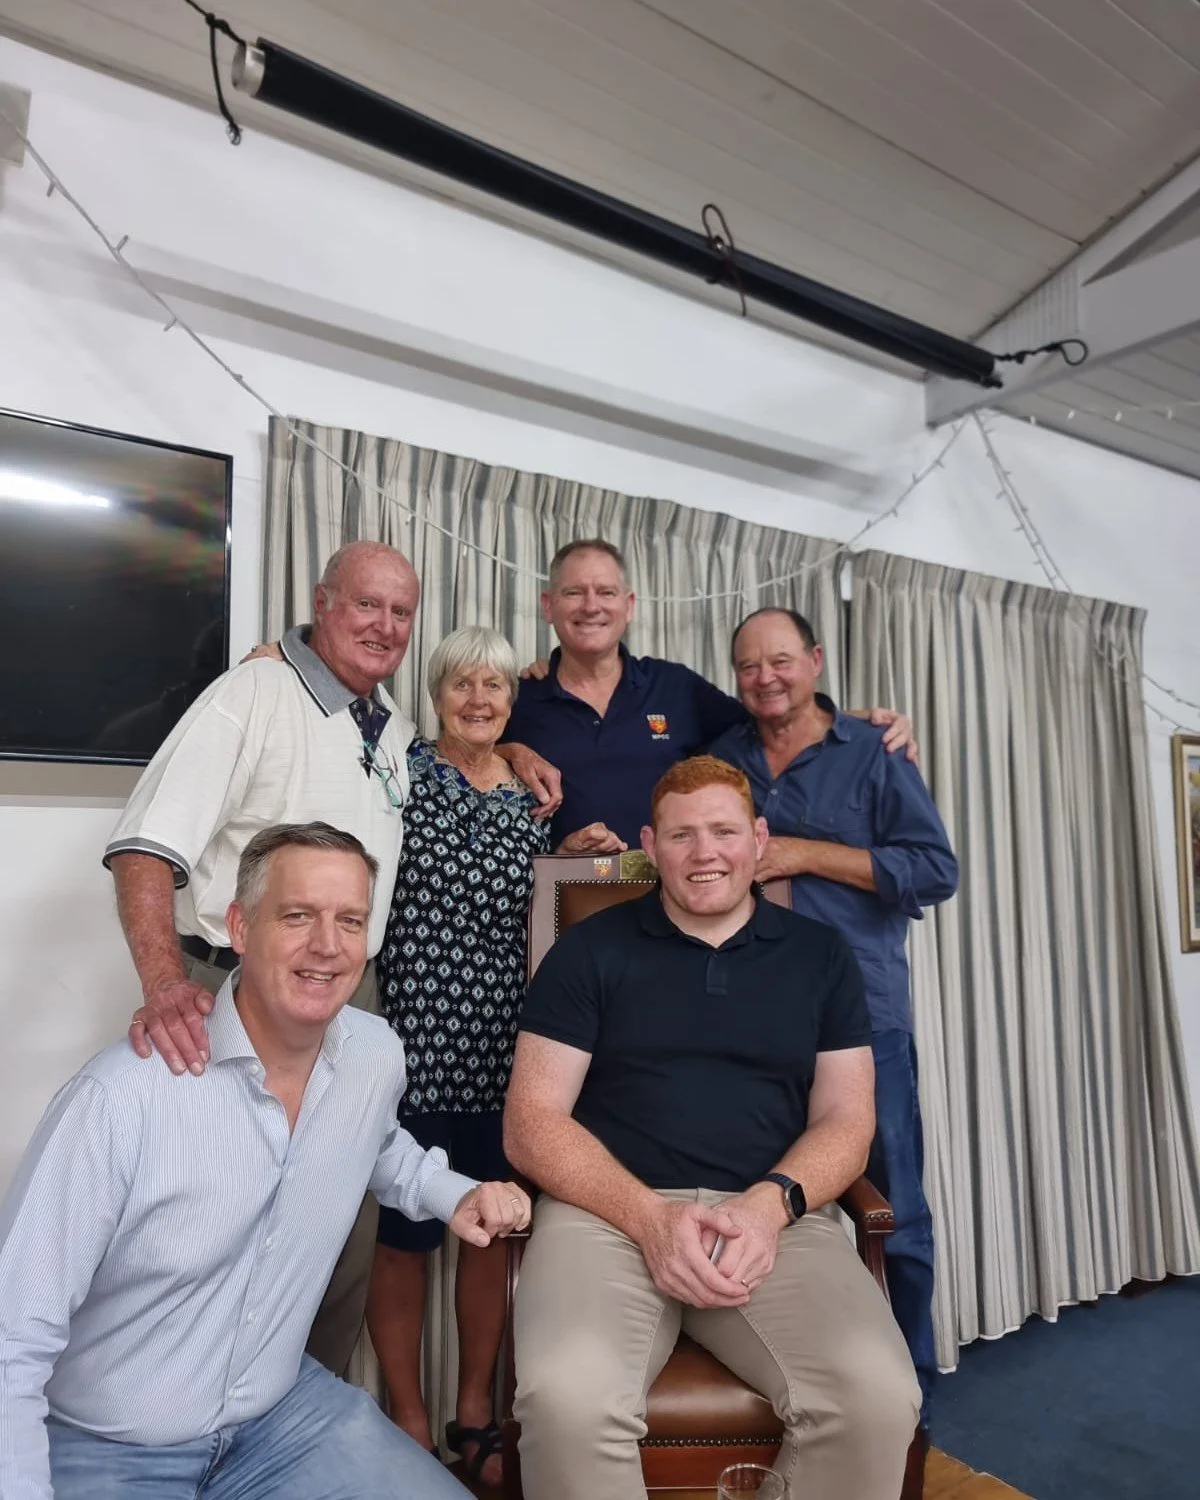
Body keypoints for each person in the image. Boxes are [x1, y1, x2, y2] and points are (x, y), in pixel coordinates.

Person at [101, 540, 557, 1376]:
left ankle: (303, 1409)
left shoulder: (392, 734)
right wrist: (165, 982)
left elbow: (471, 758)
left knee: (334, 1234)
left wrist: (516, 754)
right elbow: (144, 848)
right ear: (322, 604)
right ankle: (180, 1412)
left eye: (401, 611)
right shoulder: (253, 693)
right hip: (233, 990)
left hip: (353, 1000)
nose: (384, 625)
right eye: (365, 604)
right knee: (211, 1225)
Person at [0, 821, 533, 1500]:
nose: (327, 945)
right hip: (110, 1443)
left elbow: (377, 1144)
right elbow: (12, 1334)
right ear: (240, 928)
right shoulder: (118, 1098)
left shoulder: (374, 1054)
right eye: (297, 916)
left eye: (350, 920)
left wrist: (451, 1194)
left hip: (283, 1420)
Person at [504, 757, 920, 1500]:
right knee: (568, 1403)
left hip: (774, 1220)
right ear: (650, 845)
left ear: (758, 839)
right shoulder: (589, 950)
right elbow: (532, 1123)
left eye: (724, 832)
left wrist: (768, 1206)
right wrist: (650, 1219)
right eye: (682, 835)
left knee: (877, 1400)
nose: (705, 854)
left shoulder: (821, 956)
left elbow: (847, 1120)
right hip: (608, 1217)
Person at [707, 607, 958, 1439]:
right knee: (771, 1204)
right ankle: (808, 1388)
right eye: (749, 666)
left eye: (780, 660)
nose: (765, 678)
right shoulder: (723, 756)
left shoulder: (874, 751)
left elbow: (934, 870)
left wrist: (806, 852)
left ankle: (911, 1394)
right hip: (751, 1022)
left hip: (864, 1021)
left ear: (814, 660)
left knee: (894, 1212)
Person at [366, 625, 605, 1486]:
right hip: (414, 1044)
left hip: (506, 1048)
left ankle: (473, 1412)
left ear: (512, 700)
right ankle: (407, 1414)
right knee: (404, 1235)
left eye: (494, 686)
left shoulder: (533, 797)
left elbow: (546, 906)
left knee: (491, 1229)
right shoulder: (400, 774)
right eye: (462, 684)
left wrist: (576, 861)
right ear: (436, 693)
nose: (478, 699)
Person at [504, 538, 915, 850]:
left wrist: (850, 719)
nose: (591, 606)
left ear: (628, 606)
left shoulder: (675, 686)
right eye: (574, 592)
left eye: (606, 592)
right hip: (566, 908)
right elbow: (472, 762)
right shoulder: (520, 699)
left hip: (674, 911)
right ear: (548, 606)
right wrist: (510, 751)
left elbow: (768, 720)